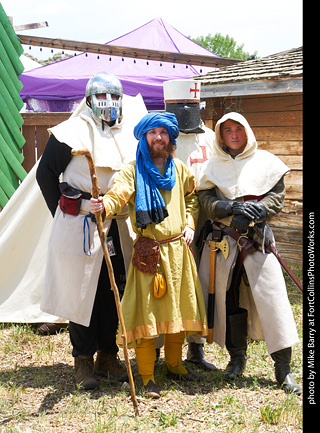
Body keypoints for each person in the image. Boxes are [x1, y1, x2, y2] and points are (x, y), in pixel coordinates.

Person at [36, 71, 147, 390]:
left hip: (115, 223)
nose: (110, 103)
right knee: (80, 290)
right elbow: (46, 177)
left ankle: (108, 355)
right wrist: (66, 214)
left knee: (112, 290)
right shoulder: (69, 134)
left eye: (115, 97)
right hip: (79, 224)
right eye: (103, 97)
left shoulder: (128, 134)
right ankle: (83, 360)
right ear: (88, 100)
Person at [89, 112, 208, 399]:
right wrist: (103, 203)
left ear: (170, 137)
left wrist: (190, 224)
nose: (158, 137)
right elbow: (119, 194)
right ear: (144, 137)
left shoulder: (179, 169)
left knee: (179, 310)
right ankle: (146, 376)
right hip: (149, 254)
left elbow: (192, 198)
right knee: (147, 314)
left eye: (163, 132)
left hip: (179, 250)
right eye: (152, 133)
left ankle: (175, 364)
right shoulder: (132, 171)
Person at [197, 112, 301, 394]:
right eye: (226, 130)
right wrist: (230, 208)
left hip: (257, 241)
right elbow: (205, 200)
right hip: (223, 243)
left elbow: (277, 196)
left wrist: (259, 209)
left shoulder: (265, 161)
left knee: (273, 300)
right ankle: (236, 359)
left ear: (247, 132)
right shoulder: (212, 166)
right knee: (228, 299)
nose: (232, 134)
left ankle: (283, 370)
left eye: (237, 129)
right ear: (220, 136)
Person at [156, 79, 216, 371]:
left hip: (203, 218)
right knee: (161, 282)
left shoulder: (211, 138)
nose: (187, 111)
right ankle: (154, 348)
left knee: (198, 283)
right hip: (165, 217)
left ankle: (195, 347)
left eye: (191, 106)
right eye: (182, 107)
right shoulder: (158, 137)